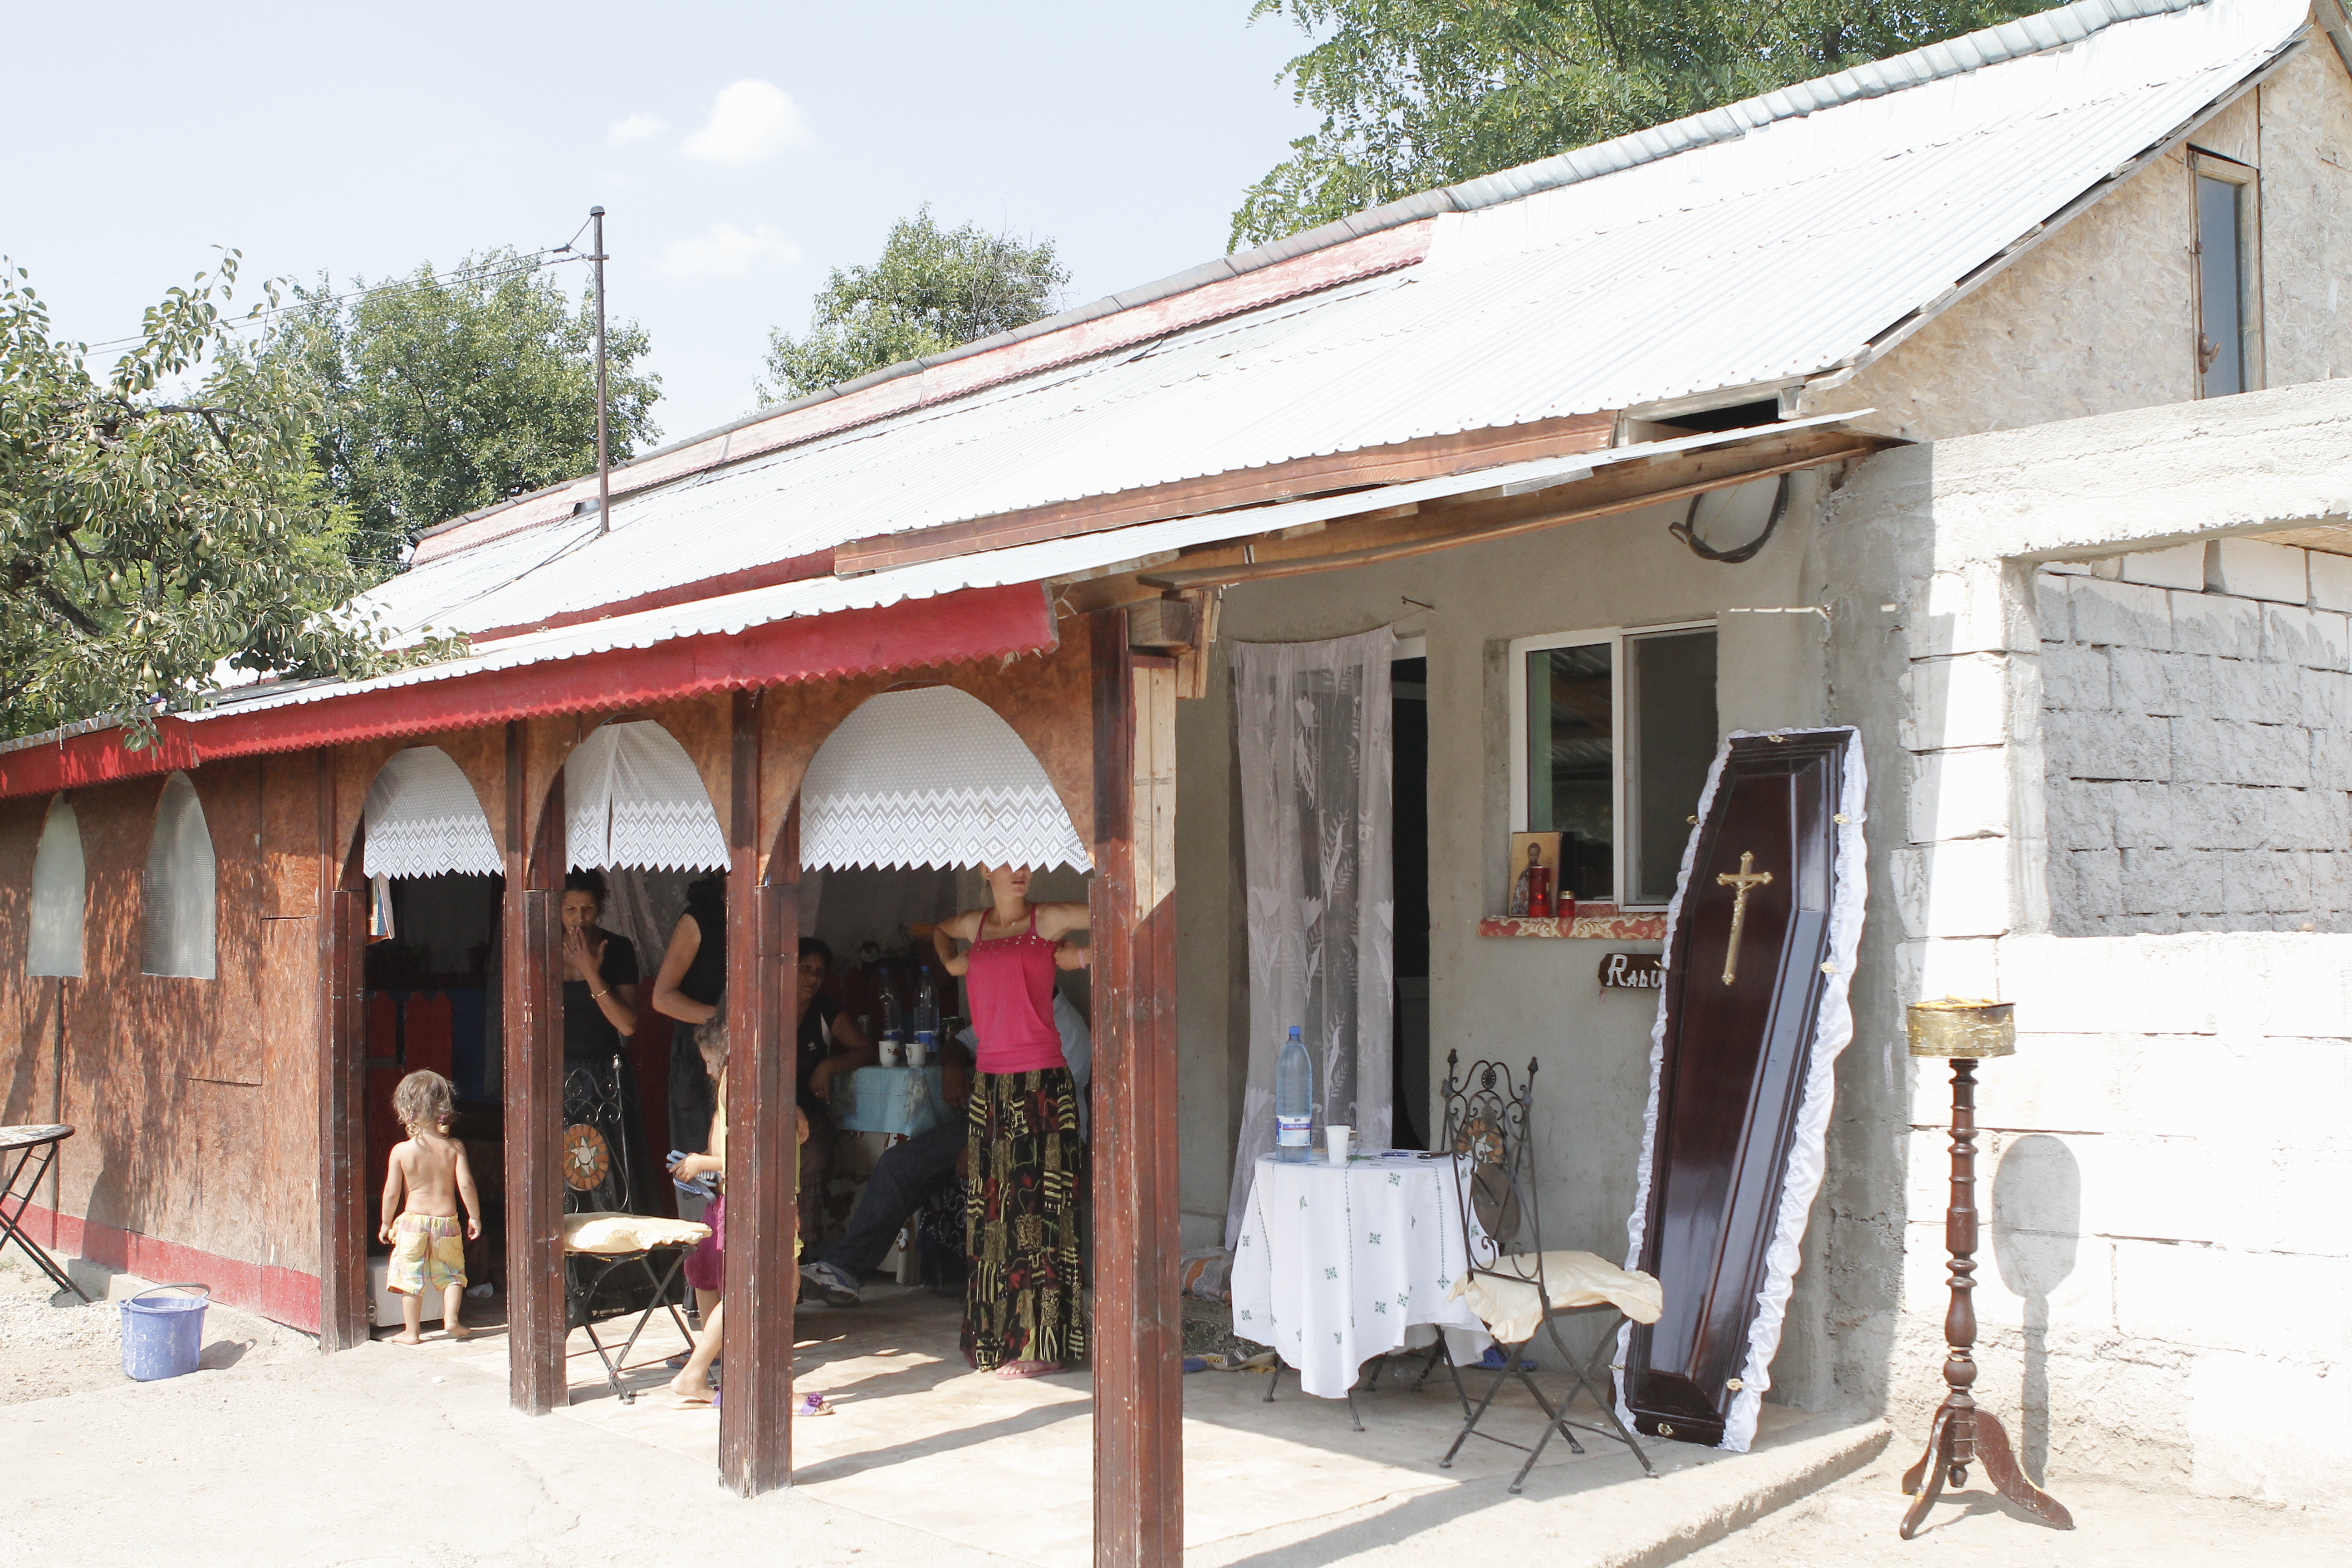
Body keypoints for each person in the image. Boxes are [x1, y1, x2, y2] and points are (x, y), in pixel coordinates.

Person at [800, 991, 1091, 1308]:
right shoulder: (1012, 1011)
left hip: (1041, 1135)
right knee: (900, 1164)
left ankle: (1011, 1292)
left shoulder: (1065, 1030)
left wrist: (980, 1141)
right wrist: (952, 1064)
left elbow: (1037, 1109)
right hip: (986, 1120)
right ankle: (845, 1269)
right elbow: (960, 1044)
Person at [931, 865, 1089, 1378]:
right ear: (985, 870)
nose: (1020, 873)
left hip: (1042, 1084)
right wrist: (953, 964)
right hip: (991, 1087)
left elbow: (1131, 915)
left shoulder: (1049, 919)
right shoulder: (974, 925)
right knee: (990, 1215)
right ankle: (996, 1338)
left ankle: (1042, 1346)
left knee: (1040, 1216)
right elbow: (936, 929)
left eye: (1027, 863)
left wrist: (1084, 956)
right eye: (1008, 863)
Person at [665, 1025, 828, 1416]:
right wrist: (704, 1163)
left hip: (748, 1198)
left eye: (708, 1061)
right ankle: (745, 1383)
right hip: (761, 1198)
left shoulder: (736, 1082)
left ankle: (715, 1372)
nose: (707, 1071)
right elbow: (749, 1155)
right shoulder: (742, 1081)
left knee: (756, 1288)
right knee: (769, 1292)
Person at [559, 870, 644, 1214]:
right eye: (571, 910)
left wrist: (591, 971)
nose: (580, 919)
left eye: (588, 909)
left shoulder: (618, 948)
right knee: (565, 1172)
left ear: (601, 907)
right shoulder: (541, 947)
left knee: (609, 1174)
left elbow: (627, 1024)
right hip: (559, 1076)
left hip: (605, 1077)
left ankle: (617, 1262)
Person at [379, 1069, 483, 1345]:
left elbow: (392, 1192)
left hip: (413, 1222)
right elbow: (467, 1185)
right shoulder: (455, 1148)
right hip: (447, 1221)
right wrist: (474, 1217)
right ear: (443, 1110)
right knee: (451, 1272)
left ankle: (412, 1332)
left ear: (406, 1110)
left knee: (409, 1275)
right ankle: (452, 1319)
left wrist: (386, 1223)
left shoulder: (402, 1151)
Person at [794, 937, 872, 1252]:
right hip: (768, 1114)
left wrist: (829, 1065)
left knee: (813, 1156)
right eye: (805, 969)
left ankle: (807, 1252)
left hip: (810, 1115)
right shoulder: (765, 1007)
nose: (813, 978)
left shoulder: (825, 1011)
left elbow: (866, 1050)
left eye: (819, 971)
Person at [651, 874, 726, 1169]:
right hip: (699, 1056)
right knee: (697, 1158)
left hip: (743, 1052)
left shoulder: (763, 912)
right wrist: (724, 1018)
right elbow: (662, 997)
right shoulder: (699, 919)